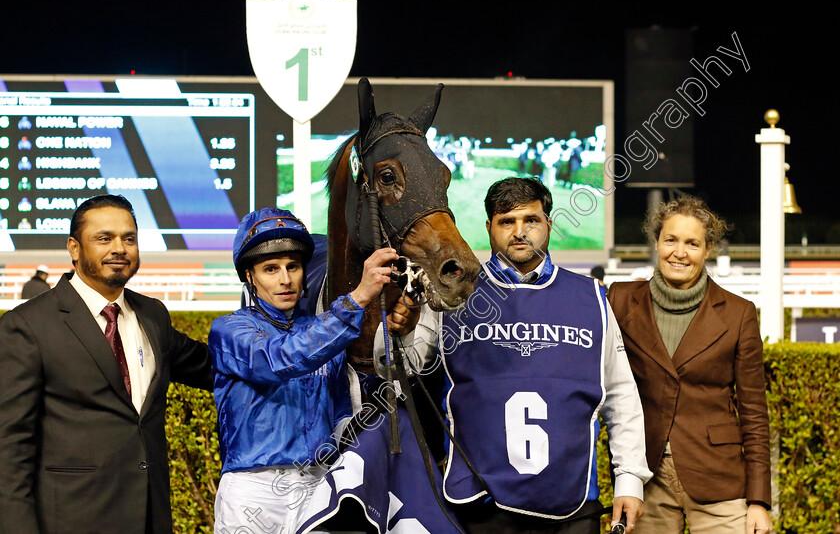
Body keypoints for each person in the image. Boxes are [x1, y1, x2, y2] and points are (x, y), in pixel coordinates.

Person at [381, 177, 651, 533]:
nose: (520, 232)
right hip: (478, 502)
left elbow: (621, 397)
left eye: (531, 221)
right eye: (507, 221)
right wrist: (401, 330)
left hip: (572, 505)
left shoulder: (591, 298)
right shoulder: (450, 295)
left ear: (548, 224)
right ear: (489, 227)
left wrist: (630, 480)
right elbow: (399, 369)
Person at [0, 194, 213, 534]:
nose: (120, 248)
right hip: (72, 522)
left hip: (151, 518)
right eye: (104, 238)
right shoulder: (27, 326)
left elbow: (214, 367)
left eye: (129, 238)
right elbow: (8, 453)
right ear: (74, 248)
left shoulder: (153, 315)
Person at [209, 208, 398, 533]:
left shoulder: (322, 331)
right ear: (250, 276)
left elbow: (340, 418)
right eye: (271, 269)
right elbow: (279, 360)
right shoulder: (229, 330)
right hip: (252, 491)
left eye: (292, 267)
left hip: (317, 486)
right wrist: (357, 298)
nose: (285, 279)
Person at [607, 196, 773, 534]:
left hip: (719, 480)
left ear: (708, 249)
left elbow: (755, 413)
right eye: (670, 240)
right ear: (656, 242)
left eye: (692, 243)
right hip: (645, 479)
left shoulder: (739, 313)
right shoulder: (619, 300)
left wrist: (759, 501)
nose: (679, 253)